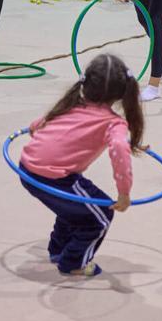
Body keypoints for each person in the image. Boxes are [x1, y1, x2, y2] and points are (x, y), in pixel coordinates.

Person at [18, 53, 143, 277]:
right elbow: (119, 150)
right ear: (122, 92)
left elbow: (37, 126)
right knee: (101, 214)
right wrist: (124, 193)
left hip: (27, 167)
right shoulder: (114, 123)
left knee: (76, 207)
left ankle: (58, 250)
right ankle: (73, 262)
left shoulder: (71, 104)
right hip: (53, 176)